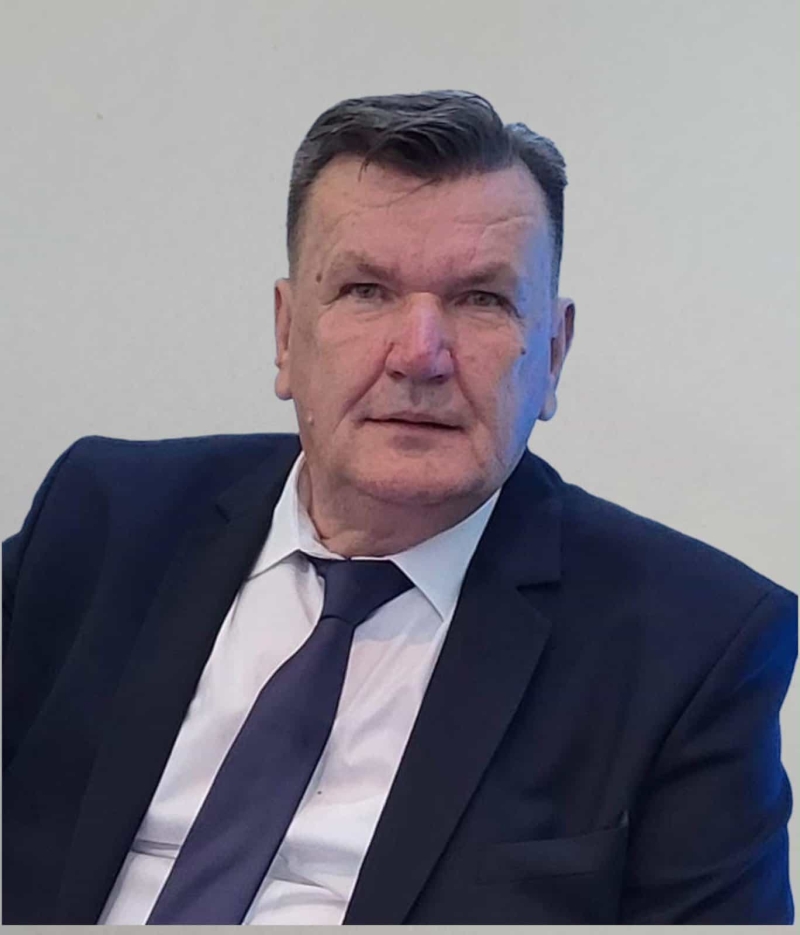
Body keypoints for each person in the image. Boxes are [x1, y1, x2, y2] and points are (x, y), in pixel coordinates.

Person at [2, 90, 796, 925]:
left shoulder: (692, 645)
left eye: (482, 299)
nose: (420, 354)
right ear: (286, 334)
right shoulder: (104, 519)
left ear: (553, 354)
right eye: (366, 290)